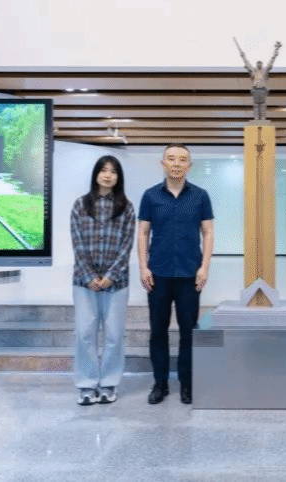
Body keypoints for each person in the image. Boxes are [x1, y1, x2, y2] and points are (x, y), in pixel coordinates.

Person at [138, 144, 214, 405]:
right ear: (163, 163)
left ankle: (187, 384)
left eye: (182, 160)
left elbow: (208, 233)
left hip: (189, 274)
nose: (176, 164)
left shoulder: (200, 196)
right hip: (157, 274)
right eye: (171, 159)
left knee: (188, 332)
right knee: (157, 331)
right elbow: (143, 233)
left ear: (189, 166)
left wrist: (204, 267)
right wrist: (143, 266)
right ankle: (160, 384)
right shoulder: (150, 196)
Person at [71, 155, 135, 406]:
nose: (108, 175)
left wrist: (110, 276)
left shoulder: (126, 207)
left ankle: (109, 383)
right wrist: (90, 276)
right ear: (96, 174)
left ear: (119, 177)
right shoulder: (80, 204)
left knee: (114, 335)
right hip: (84, 282)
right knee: (85, 334)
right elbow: (77, 243)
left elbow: (127, 246)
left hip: (116, 283)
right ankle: (86, 385)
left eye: (113, 172)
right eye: (104, 170)